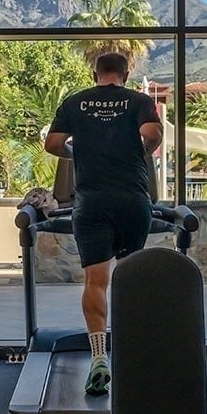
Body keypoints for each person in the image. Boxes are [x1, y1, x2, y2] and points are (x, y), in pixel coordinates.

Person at [43, 52, 164, 395]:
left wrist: (76, 153)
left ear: (94, 72)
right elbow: (152, 133)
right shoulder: (138, 100)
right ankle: (129, 351)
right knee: (127, 276)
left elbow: (52, 144)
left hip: (91, 202)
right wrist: (142, 150)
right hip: (132, 200)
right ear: (126, 73)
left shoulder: (75, 102)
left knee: (96, 281)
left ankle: (99, 356)